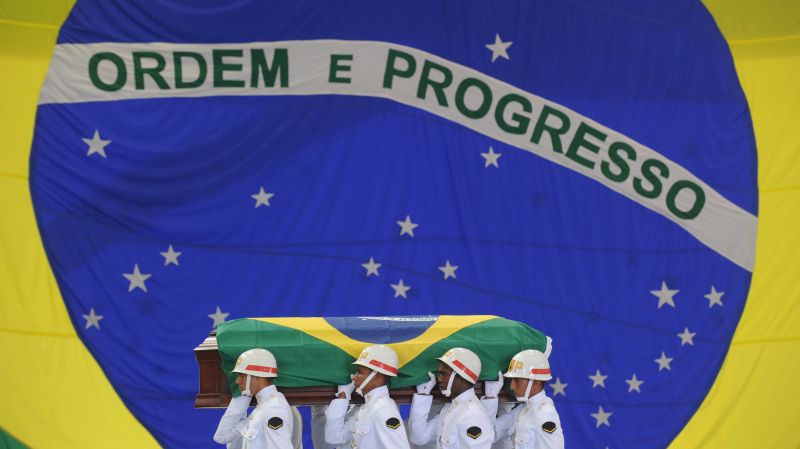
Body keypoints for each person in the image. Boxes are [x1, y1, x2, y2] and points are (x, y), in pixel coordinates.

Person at [324, 344, 411, 449]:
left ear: (377, 375)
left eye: (359, 372)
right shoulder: (362, 409)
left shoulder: (383, 409)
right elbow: (333, 438)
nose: (354, 378)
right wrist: (342, 398)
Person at [407, 348, 495, 449]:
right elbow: (419, 439)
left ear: (461, 376)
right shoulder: (450, 409)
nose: (439, 379)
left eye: (444, 374)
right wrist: (423, 395)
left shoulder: (473, 414)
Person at [213, 348, 294, 449]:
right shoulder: (263, 407)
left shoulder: (274, 408)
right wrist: (242, 398)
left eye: (242, 376)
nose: (237, 381)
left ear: (257, 377)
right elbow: (221, 437)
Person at [483, 350, 564, 449]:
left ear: (535, 383)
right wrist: (491, 397)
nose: (512, 386)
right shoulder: (523, 409)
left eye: (517, 380)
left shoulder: (544, 415)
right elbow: (492, 432)